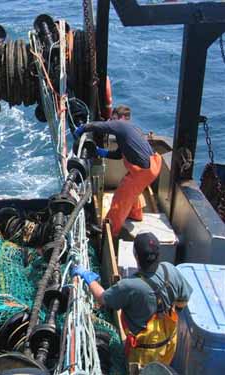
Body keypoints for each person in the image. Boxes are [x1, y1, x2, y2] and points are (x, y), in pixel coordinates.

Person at [72, 232, 192, 368]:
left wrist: (87, 276)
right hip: (168, 344)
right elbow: (183, 300)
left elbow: (102, 299)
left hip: (143, 353)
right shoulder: (170, 269)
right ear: (158, 254)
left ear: (135, 255)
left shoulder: (129, 286)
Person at [74, 105, 162, 237]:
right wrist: (99, 151)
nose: (111, 122)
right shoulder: (132, 130)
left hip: (143, 171)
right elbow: (118, 155)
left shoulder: (122, 125)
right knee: (131, 189)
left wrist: (83, 128)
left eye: (113, 119)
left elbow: (101, 126)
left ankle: (108, 231)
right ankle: (135, 214)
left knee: (120, 198)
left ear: (122, 118)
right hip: (153, 165)